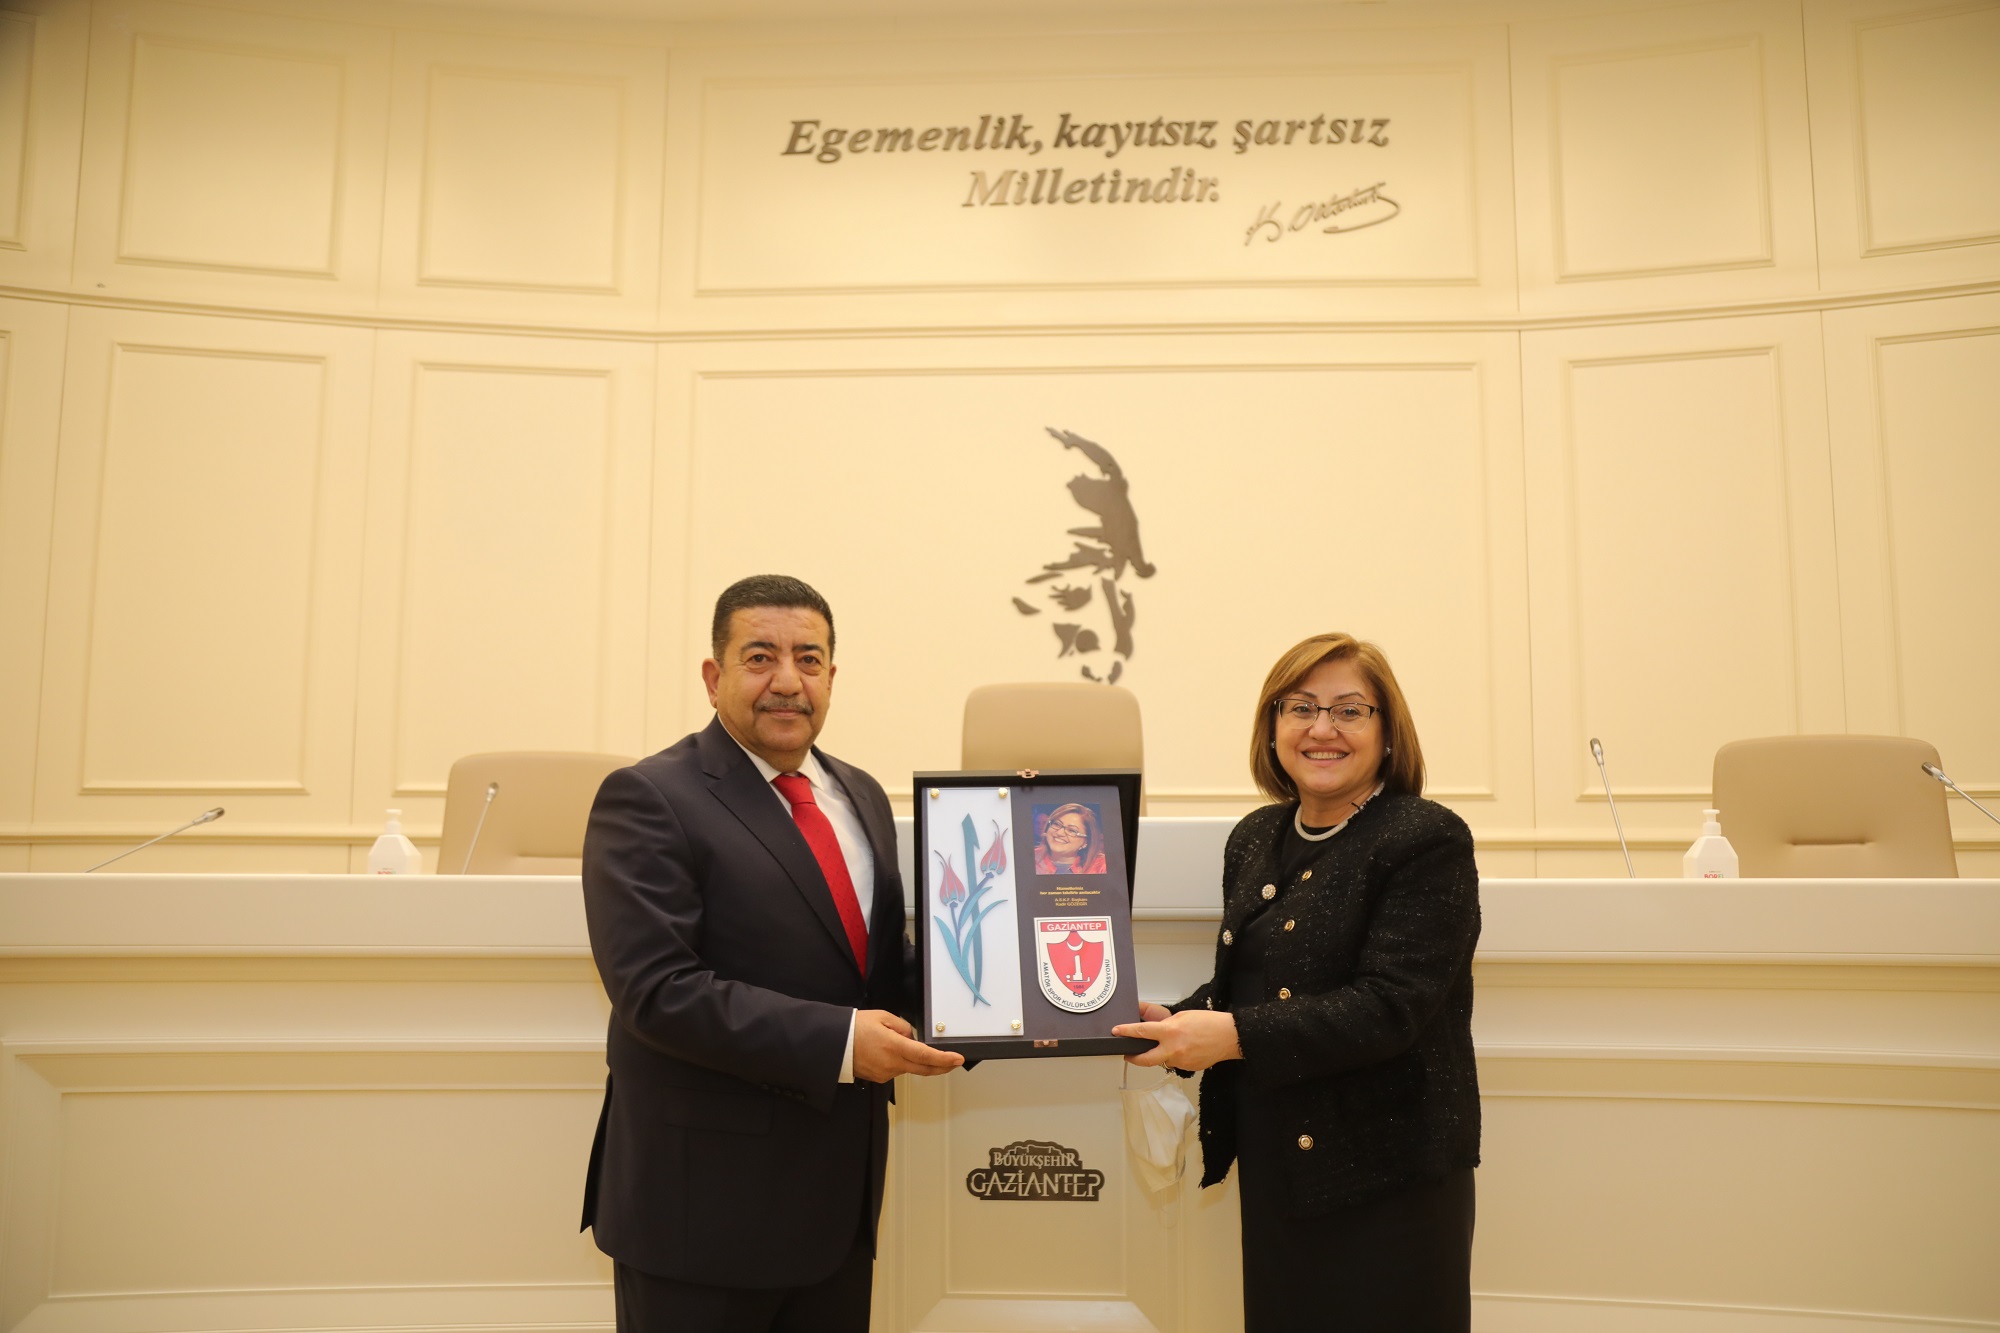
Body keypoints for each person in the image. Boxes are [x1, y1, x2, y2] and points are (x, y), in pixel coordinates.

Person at [579, 574, 962, 1333]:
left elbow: (879, 968)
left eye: (808, 659)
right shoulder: (649, 796)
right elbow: (658, 989)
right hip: (700, 1216)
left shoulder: (860, 793)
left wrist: (1009, 1000)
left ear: (831, 676)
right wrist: (843, 1041)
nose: (788, 680)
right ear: (713, 676)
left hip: (836, 1210)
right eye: (760, 657)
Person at [1112, 633, 1481, 1331]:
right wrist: (1172, 1019)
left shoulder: (1425, 837)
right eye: (1301, 707)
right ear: (1273, 725)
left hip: (1390, 1172)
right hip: (1279, 1157)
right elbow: (1256, 983)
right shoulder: (1257, 836)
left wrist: (1230, 1035)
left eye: (1349, 710)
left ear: (1388, 732)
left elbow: (1391, 1006)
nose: (1321, 728)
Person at [1033, 801, 1108, 874]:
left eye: (1072, 830)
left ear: (1086, 842)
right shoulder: (1030, 858)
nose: (1059, 833)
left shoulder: (1102, 866)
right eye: (1057, 824)